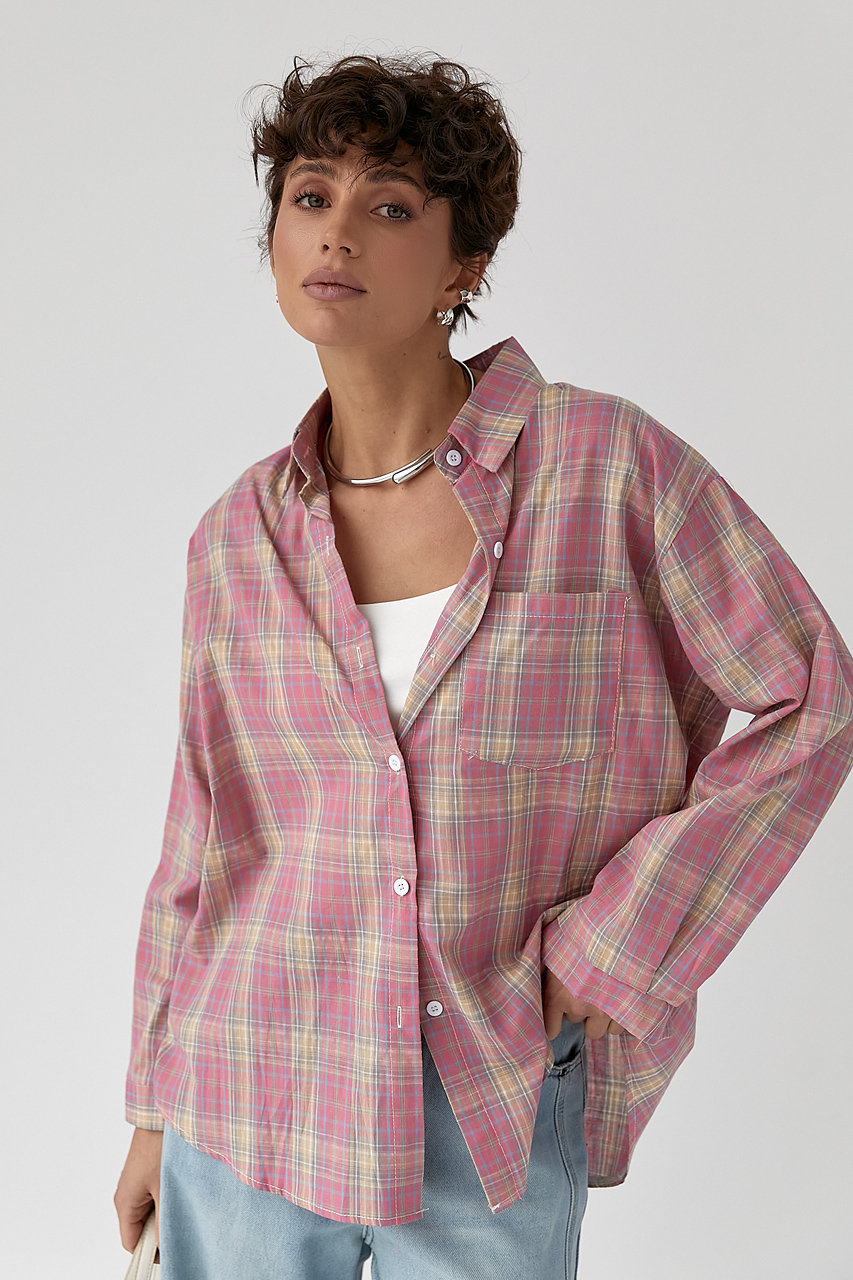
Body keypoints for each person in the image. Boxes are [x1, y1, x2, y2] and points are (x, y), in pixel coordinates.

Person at [113, 52, 853, 1280]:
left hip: (488, 1095)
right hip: (240, 1091)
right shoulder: (236, 536)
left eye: (390, 204)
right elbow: (201, 835)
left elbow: (811, 696)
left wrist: (611, 947)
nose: (337, 230)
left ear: (464, 264)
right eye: (310, 196)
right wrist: (151, 1103)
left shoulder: (607, 469)